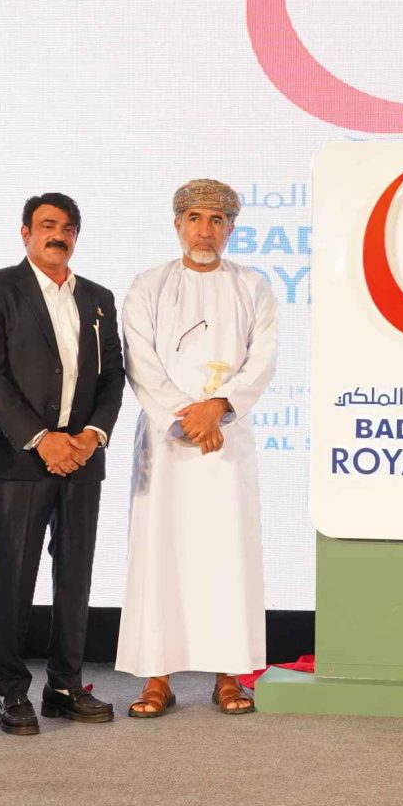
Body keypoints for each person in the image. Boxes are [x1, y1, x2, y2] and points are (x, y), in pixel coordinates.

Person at [116, 178, 280, 718]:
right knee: (160, 553)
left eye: (216, 220)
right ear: (177, 224)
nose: (204, 230)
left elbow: (263, 359)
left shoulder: (252, 286)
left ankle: (229, 675)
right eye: (194, 219)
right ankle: (157, 678)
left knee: (226, 554)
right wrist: (187, 415)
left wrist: (219, 408)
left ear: (230, 228)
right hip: (167, 443)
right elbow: (140, 362)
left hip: (225, 442)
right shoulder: (149, 285)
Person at [0, 194, 125, 734]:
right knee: (12, 575)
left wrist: (92, 434)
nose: (59, 235)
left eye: (69, 227)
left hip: (82, 455)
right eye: (48, 225)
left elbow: (114, 375)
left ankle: (65, 685)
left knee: (75, 574)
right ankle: (10, 691)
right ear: (25, 232)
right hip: (18, 456)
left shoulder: (99, 298)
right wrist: (41, 439)